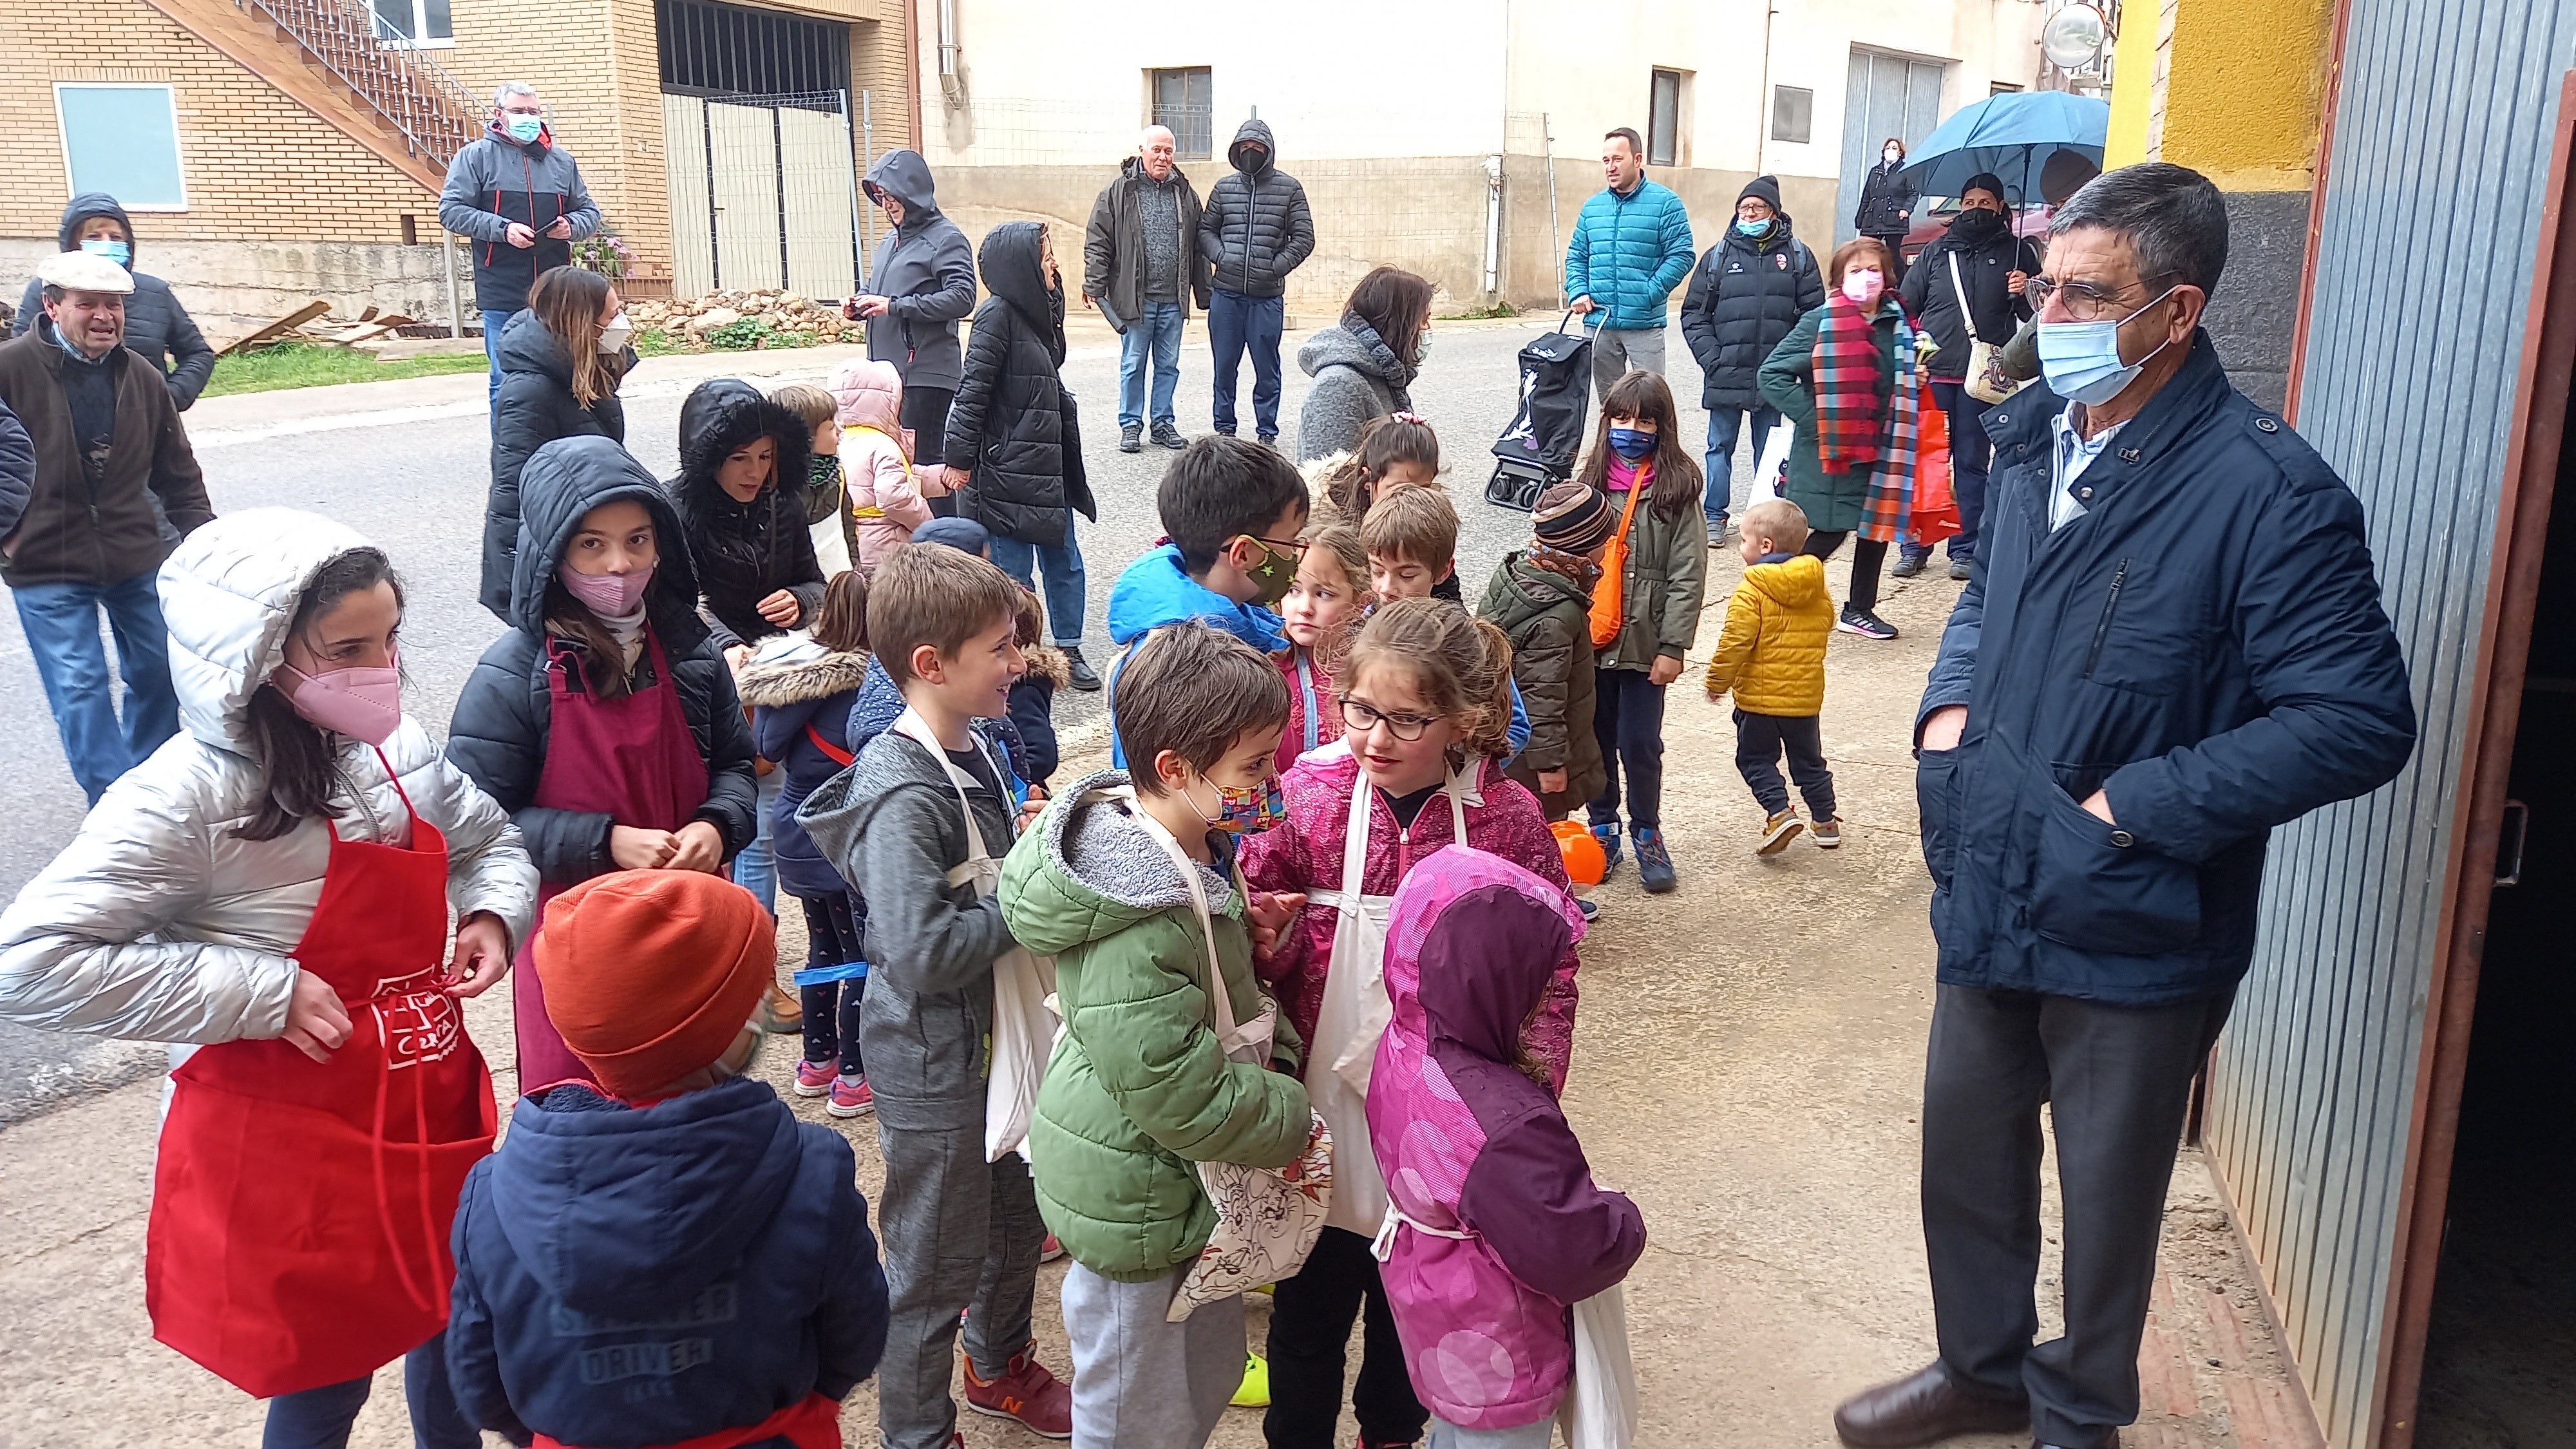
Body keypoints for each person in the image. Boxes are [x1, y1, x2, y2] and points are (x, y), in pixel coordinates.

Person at [1832, 162, 2418, 1449]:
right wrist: (1947, 718)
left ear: (2177, 310)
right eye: (2046, 285)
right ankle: (1978, 1369)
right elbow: (1989, 585)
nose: (2050, 316)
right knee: (1966, 1164)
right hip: (1992, 862)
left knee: (2106, 1205)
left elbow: (2357, 720)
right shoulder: (2039, 426)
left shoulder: (2272, 496)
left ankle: (2077, 1413)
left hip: (2134, 907)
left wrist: (2131, 805)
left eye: (2087, 294)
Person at [0, 508, 536, 1449]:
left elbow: (489, 838)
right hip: (296, 1140)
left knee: (453, 1320)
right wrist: (259, 992)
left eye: (390, 636)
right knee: (326, 1371)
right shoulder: (184, 798)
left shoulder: (393, 747)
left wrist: (493, 910)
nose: (383, 667)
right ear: (256, 656)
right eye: (348, 648)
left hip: (423, 1101)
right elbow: (30, 962)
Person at [1240, 597, 1579, 1449]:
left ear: (1461, 717)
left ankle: (1392, 1429)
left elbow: (1553, 959)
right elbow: (1245, 908)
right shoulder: (1305, 790)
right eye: (1360, 710)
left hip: (1439, 1117)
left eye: (1406, 718)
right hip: (1316, 1102)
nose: (1376, 737)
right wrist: (1268, 936)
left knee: (1416, 1291)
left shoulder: (1507, 820)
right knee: (1309, 1298)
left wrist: (1528, 1086)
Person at [1001, 620, 1318, 1449]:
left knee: (1193, 1382)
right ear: (1177, 770)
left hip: (1167, 1186)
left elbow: (1188, 988)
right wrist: (1291, 1117)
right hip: (1136, 1200)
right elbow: (1176, 1088)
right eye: (1254, 766)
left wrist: (1241, 941)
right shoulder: (1138, 914)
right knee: (1134, 1414)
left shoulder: (1185, 848)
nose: (1272, 781)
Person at [446, 868, 889, 1446]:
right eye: (752, 995)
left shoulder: (492, 1195)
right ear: (723, 1029)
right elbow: (855, 1336)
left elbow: (480, 1379)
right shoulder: (812, 1169)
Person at [798, 544, 1075, 1448]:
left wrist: (1028, 842)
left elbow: (983, 879)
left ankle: (997, 1366)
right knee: (930, 1262)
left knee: (1015, 1219)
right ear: (932, 665)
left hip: (1003, 1042)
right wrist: (1035, 902)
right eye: (1000, 647)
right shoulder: (903, 790)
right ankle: (918, 1431)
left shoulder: (980, 745)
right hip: (936, 1062)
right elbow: (918, 950)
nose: (1019, 661)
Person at [444, 436, 759, 1092]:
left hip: (688, 928)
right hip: (578, 958)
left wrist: (717, 826)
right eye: (592, 545)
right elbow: (475, 829)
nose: (619, 565)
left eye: (638, 541)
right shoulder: (511, 675)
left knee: (699, 1105)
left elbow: (734, 763)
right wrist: (602, 841)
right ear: (551, 552)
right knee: (588, 1121)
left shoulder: (693, 656)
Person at [1369, 847, 1640, 1449]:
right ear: (1501, 977)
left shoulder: (1403, 1043)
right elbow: (1572, 1247)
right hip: (1503, 1348)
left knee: (1455, 1428)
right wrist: (1622, 1218)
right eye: (1542, 975)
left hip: (1433, 1306)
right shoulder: (1503, 1122)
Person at [0, 251, 211, 804]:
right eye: (86, 303)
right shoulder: (9, 371)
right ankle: (116, 807)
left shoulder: (141, 376)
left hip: (134, 554)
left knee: (160, 673)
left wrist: (210, 543)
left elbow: (177, 472)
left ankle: (150, 792)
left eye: (113, 305)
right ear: (51, 306)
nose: (103, 316)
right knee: (79, 687)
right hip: (44, 561)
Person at [670, 379, 826, 999]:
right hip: (704, 687)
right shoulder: (677, 511)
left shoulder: (784, 504)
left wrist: (802, 600)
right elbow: (673, 603)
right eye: (739, 458)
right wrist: (725, 646)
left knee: (762, 825)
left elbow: (816, 582)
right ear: (709, 457)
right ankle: (709, 970)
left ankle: (753, 974)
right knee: (708, 830)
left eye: (765, 457)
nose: (755, 472)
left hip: (774, 683)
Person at [744, 569, 878, 1119]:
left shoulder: (790, 678)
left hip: (794, 827)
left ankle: (815, 1061)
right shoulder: (871, 684)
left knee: (824, 947)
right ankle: (853, 1074)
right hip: (842, 832)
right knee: (860, 958)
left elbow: (766, 749)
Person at [949, 220, 1102, 692]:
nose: (1051, 261)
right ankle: (1022, 651)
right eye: (1043, 255)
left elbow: (1051, 358)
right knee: (1013, 572)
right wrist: (958, 457)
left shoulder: (1033, 310)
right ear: (1018, 265)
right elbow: (972, 390)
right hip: (1007, 467)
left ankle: (1069, 648)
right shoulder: (996, 316)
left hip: (1048, 465)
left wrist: (1054, 299)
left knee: (1064, 561)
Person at [1575, 370, 1706, 896]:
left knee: (1640, 743)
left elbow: (1688, 572)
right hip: (1589, 643)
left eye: (1645, 420)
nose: (1633, 429)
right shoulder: (1586, 485)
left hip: (1646, 643)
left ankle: (1647, 831)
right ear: (1607, 421)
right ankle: (1602, 827)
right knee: (1596, 739)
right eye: (1623, 418)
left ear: (1662, 427)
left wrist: (1673, 646)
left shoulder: (1676, 489)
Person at [1103, 435, 1309, 768]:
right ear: (1244, 554)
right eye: (1291, 541)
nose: (1298, 554)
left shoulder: (1217, 618)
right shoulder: (1187, 666)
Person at [1759, 236, 1919, 643]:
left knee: (1876, 529)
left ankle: (1860, 610)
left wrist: (1913, 379)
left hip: (1883, 446)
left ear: (1887, 277)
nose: (1866, 278)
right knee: (1830, 531)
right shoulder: (1821, 321)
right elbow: (1772, 374)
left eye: (1874, 270)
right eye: (1855, 270)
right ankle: (1776, 599)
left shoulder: (1897, 322)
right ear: (1839, 279)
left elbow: (1892, 378)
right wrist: (1817, 420)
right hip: (1831, 451)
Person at [1897, 172, 2041, 581]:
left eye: (1985, 203)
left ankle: (1965, 547)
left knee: (1972, 464)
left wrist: (2026, 290)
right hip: (1936, 373)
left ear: (2000, 208)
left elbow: (2033, 322)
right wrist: (1913, 357)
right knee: (1929, 461)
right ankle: (1915, 545)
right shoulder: (1937, 251)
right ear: (1960, 206)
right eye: (1970, 202)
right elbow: (1908, 306)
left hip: (1985, 378)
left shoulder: (2017, 254)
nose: (1977, 209)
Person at [1680, 175, 1823, 545]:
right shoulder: (1718, 257)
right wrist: (1713, 359)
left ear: (1774, 212)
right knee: (1719, 447)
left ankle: (1764, 521)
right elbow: (1694, 313)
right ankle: (1714, 514)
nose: (1750, 213)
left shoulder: (1798, 256)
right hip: (1726, 370)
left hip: (1773, 378)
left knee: (1771, 451)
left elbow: (1814, 317)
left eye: (1758, 207)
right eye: (1744, 208)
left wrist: (1791, 365)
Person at [482, 264, 632, 618]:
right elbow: (512, 488)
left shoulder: (591, 370)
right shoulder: (530, 392)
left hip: (585, 540)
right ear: (583, 323)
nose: (621, 323)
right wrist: (514, 582)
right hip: (555, 557)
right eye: (613, 315)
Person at [439, 82, 601, 402]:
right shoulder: (475, 157)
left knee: (564, 373)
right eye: (518, 112)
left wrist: (572, 225)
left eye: (533, 112)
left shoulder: (562, 162)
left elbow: (589, 212)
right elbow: (451, 211)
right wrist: (503, 229)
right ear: (499, 115)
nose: (528, 118)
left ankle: (557, 448)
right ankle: (511, 451)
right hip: (502, 284)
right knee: (506, 378)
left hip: (556, 288)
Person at [1700, 497, 1838, 853]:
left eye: (1743, 540)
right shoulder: (1816, 584)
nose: (1740, 547)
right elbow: (1827, 623)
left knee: (1755, 759)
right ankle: (1824, 821)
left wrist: (1717, 682)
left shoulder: (1753, 589)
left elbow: (1736, 642)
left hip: (1759, 702)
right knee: (1809, 761)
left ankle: (1779, 812)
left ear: (1765, 546)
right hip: (1804, 699)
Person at [848, 149, 978, 510]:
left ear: (913, 193)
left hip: (926, 372)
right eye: (882, 198)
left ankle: (944, 548)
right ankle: (918, 545)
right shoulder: (890, 241)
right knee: (900, 464)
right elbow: (878, 289)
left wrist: (896, 306)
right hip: (889, 373)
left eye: (893, 196)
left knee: (927, 464)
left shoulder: (946, 238)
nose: (887, 205)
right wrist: (860, 304)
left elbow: (962, 297)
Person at [1361, 488, 1534, 757]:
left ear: (1443, 571)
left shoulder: (1464, 642)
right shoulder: (1355, 628)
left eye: (1406, 576)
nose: (1386, 587)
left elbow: (1515, 728)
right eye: (1377, 571)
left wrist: (1452, 767)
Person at [1480, 480, 1615, 823]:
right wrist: (1551, 766)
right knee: (1538, 831)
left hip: (1512, 748)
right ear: (1584, 547)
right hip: (1533, 766)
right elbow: (1543, 695)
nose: (1605, 551)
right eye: (1603, 543)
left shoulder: (1517, 576)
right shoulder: (1557, 615)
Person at [12, 194, 216, 410]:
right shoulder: (46, 290)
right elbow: (23, 359)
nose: (107, 243)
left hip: (145, 425)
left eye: (116, 237)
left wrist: (169, 398)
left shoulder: (155, 292)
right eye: (94, 236)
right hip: (68, 423)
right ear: (73, 244)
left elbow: (198, 354)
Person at [1086, 126, 1209, 452]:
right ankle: (1130, 425)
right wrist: (1094, 284)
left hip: (1172, 299)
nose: (1163, 157)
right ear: (1142, 150)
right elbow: (1099, 240)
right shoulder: (1118, 192)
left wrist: (1204, 292)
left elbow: (1198, 245)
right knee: (1133, 364)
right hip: (1135, 299)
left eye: (1169, 151)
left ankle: (1162, 423)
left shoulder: (1184, 193)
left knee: (1168, 365)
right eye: (1157, 150)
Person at [1200, 118, 1315, 445]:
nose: (1251, 152)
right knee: (1224, 367)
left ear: (1269, 150)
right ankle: (1224, 427)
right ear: (1236, 150)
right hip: (1226, 297)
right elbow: (1206, 231)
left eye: (1257, 147)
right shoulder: (1224, 188)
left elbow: (1304, 237)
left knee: (1267, 370)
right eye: (1245, 147)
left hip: (1266, 298)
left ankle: (1267, 431)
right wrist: (1222, 257)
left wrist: (1275, 267)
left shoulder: (1289, 188)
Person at [1564, 127, 1696, 399]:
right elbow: (1577, 255)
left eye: (1617, 159)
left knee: (1651, 405)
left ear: (1637, 160)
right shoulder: (1592, 208)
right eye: (1606, 161)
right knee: (1610, 406)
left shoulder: (1666, 204)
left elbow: (1682, 255)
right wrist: (1578, 291)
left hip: (1644, 325)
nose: (1610, 167)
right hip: (1600, 323)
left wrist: (1650, 293)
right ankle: (1612, 445)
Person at [1297, 266, 1433, 463]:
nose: (1427, 329)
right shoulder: (1338, 386)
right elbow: (1326, 483)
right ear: (1399, 324)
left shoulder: (1384, 373)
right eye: (1424, 320)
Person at [1274, 522, 1371, 772]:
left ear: (1360, 603)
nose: (1305, 607)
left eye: (1324, 594)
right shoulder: (1265, 661)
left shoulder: (1367, 670)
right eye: (1293, 590)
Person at [829, 357, 940, 572]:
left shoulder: (838, 440)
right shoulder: (882, 445)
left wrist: (936, 479)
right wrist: (926, 523)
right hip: (886, 545)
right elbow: (894, 497)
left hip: (854, 540)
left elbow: (895, 479)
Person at [1306, 411, 1443, 525]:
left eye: (1423, 489)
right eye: (1399, 490)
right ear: (1368, 478)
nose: (1411, 502)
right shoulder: (1325, 525)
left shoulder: (1433, 517)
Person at [1855, 137, 1918, 286]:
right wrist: (1860, 218)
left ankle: (1900, 286)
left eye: (1895, 148)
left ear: (1901, 153)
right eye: (1888, 148)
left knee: (1893, 255)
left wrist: (1906, 209)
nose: (1890, 151)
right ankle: (1866, 281)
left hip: (1894, 219)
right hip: (1873, 218)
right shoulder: (1875, 171)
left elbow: (1913, 194)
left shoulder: (1906, 171)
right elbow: (1867, 196)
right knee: (1866, 250)